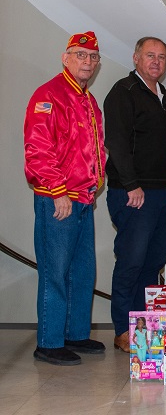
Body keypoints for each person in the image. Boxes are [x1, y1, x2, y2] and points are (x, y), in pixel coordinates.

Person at [24, 31, 106, 366]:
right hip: (59, 199)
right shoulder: (48, 95)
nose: (87, 62)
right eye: (80, 55)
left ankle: (74, 334)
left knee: (83, 271)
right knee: (55, 271)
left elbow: (95, 149)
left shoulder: (87, 99)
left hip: (83, 199)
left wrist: (93, 184)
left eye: (92, 57)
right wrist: (58, 191)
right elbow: (38, 149)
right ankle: (49, 342)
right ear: (65, 57)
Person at [104, 37, 166, 354]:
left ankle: (145, 329)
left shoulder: (163, 97)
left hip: (161, 193)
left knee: (153, 264)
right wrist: (131, 184)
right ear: (136, 58)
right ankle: (122, 329)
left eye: (162, 57)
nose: (156, 61)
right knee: (131, 262)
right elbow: (116, 142)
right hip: (133, 193)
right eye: (150, 55)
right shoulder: (124, 92)